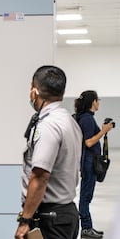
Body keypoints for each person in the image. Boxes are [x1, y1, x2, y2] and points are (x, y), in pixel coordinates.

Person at [15, 65, 83, 239]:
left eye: (31, 87)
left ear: (35, 92)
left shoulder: (48, 126)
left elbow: (40, 176)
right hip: (65, 214)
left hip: (50, 218)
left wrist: (25, 220)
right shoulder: (69, 121)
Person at [74, 90, 114, 238]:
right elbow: (89, 142)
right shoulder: (87, 119)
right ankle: (85, 229)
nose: (99, 103)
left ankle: (88, 226)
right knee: (85, 196)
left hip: (89, 161)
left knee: (87, 195)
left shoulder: (87, 118)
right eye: (98, 100)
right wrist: (103, 131)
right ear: (93, 102)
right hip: (89, 162)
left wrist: (103, 130)